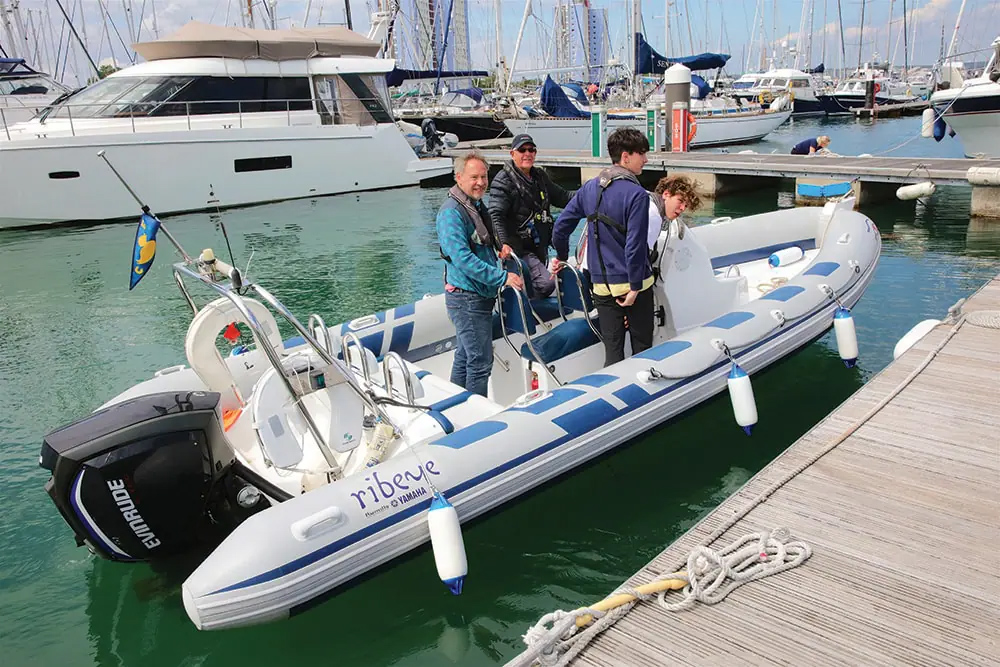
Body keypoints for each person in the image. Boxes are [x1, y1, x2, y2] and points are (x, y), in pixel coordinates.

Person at [551, 127, 654, 367]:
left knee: (613, 350)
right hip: (633, 285)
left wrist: (562, 256)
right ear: (626, 157)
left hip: (601, 286)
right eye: (642, 153)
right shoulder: (637, 194)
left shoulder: (589, 187)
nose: (646, 159)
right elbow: (635, 244)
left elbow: (561, 227)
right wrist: (635, 287)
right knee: (642, 347)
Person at [436, 150, 524, 396]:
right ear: (459, 177)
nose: (481, 183)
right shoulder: (451, 213)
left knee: (465, 356)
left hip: (475, 296)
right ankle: (475, 416)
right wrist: (502, 277)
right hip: (467, 298)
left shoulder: (473, 204)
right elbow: (462, 258)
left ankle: (458, 405)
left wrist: (500, 248)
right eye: (474, 177)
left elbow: (481, 241)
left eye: (484, 177)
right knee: (480, 362)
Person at [488, 134, 574, 298]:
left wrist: (588, 193)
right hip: (519, 249)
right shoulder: (503, 180)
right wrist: (502, 244)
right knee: (546, 284)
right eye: (522, 150)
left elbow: (562, 197)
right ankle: (519, 300)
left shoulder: (539, 176)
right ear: (512, 154)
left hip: (538, 246)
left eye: (531, 150)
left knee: (544, 280)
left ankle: (528, 300)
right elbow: (495, 215)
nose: (527, 153)